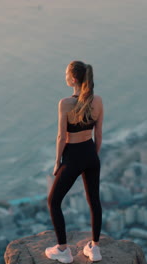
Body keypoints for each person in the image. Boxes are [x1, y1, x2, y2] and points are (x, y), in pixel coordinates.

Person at [45, 61, 103, 263]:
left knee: (53, 201)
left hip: (72, 156)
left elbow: (62, 137)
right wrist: (92, 156)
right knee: (94, 201)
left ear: (74, 79)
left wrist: (57, 162)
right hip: (90, 154)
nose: (65, 77)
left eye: (66, 74)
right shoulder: (97, 101)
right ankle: (95, 248)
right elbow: (99, 134)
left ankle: (62, 249)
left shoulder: (66, 103)